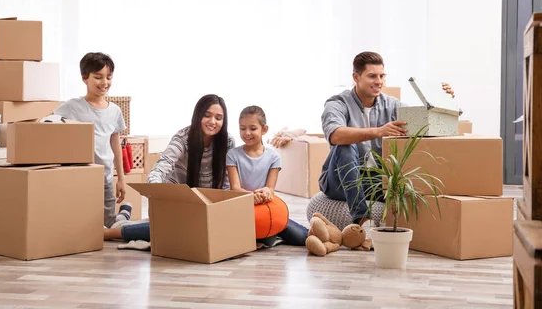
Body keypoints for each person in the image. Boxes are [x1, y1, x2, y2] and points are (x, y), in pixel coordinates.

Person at [273, 51, 455, 237]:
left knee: (408, 189)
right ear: (356, 77)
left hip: (374, 181)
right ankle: (362, 220)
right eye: (372, 76)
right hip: (338, 181)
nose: (379, 81)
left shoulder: (391, 105)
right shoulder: (337, 103)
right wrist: (379, 131)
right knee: (346, 144)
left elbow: (423, 123)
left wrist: (444, 101)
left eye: (382, 76)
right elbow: (336, 135)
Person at [104, 94, 236, 242]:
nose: (213, 122)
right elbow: (161, 167)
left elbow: (226, 184)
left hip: (206, 208)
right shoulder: (183, 138)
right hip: (178, 205)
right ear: (198, 115)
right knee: (174, 231)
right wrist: (159, 192)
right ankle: (110, 233)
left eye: (218, 118)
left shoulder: (228, 141)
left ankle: (123, 218)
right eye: (207, 115)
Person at [54, 52, 129, 228]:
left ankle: (124, 212)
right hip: (80, 175)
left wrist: (121, 179)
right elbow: (47, 124)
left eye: (108, 77)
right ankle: (124, 214)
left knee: (109, 224)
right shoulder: (72, 106)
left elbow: (115, 144)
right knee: (83, 223)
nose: (104, 83)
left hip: (105, 176)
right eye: (98, 77)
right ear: (84, 78)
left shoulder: (115, 111)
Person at [227, 105, 308, 246]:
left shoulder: (273, 157)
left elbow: (270, 188)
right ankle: (272, 237)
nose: (247, 133)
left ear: (264, 129)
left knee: (302, 237)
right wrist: (251, 196)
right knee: (261, 237)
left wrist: (265, 191)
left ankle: (274, 234)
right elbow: (235, 188)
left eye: (253, 128)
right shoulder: (232, 155)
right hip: (243, 207)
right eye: (242, 128)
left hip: (265, 207)